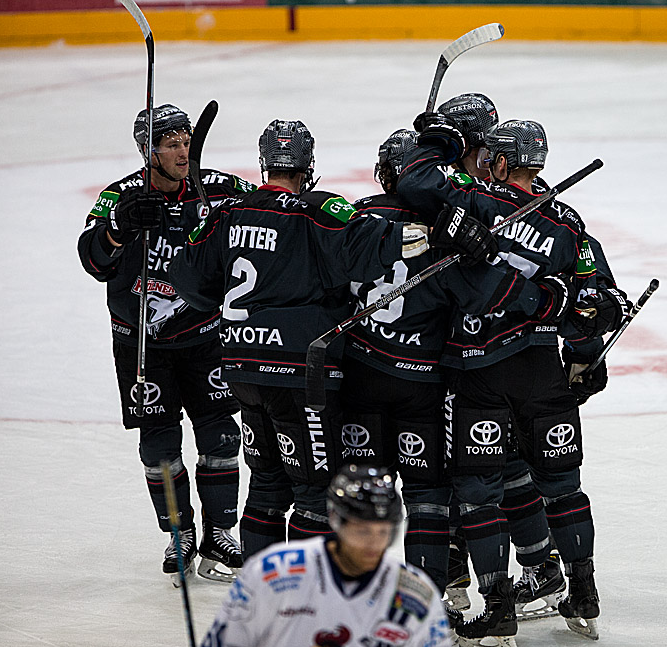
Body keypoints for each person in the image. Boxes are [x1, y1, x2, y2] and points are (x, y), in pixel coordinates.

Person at [170, 119, 497, 559]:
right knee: (314, 494)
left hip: (242, 368)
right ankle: (305, 603)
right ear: (309, 165)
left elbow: (189, 284)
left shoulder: (228, 212)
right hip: (300, 375)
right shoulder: (318, 213)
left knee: (266, 485)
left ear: (265, 161)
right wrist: (443, 232)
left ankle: (259, 597)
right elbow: (377, 247)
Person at [397, 115, 631, 647]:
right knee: (563, 486)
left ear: (499, 161)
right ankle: (584, 597)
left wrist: (438, 138)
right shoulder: (568, 222)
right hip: (544, 373)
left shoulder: (475, 198)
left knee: (479, 494)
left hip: (479, 370)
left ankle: (498, 614)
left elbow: (414, 180)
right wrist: (584, 356)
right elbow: (598, 301)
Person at [341, 127, 572, 622]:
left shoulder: (362, 214)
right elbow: (469, 292)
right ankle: (508, 572)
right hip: (439, 374)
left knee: (390, 485)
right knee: (472, 478)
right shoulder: (451, 219)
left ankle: (387, 594)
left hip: (367, 371)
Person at [77, 103, 252, 586]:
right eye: (171, 143)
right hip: (141, 343)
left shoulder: (219, 188)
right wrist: (120, 228)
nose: (182, 150)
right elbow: (93, 262)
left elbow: (270, 218)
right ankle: (179, 533)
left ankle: (220, 532)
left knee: (221, 436)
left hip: (205, 336)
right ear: (147, 151)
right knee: (159, 448)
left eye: (186, 140)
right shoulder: (122, 196)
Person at [197, 464, 455, 647]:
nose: (374, 545)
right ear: (335, 519)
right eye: (362, 531)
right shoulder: (274, 572)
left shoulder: (415, 595)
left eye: (384, 532)